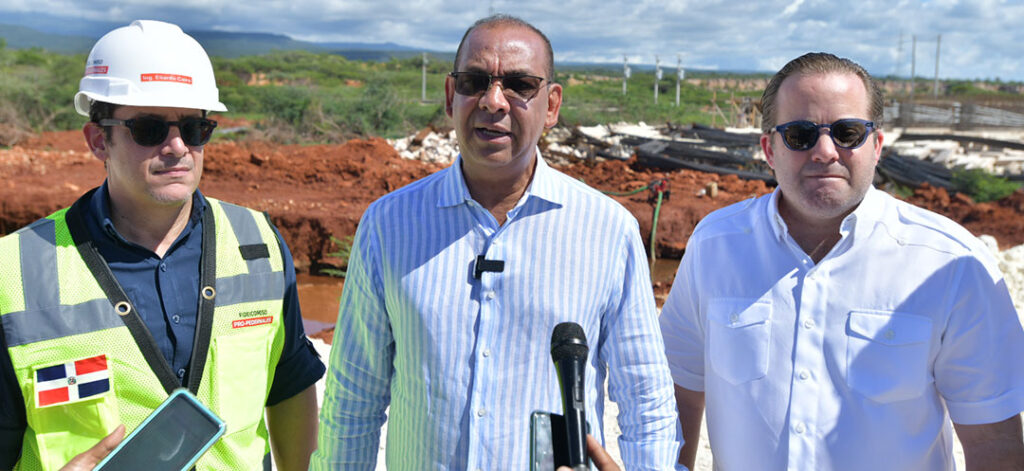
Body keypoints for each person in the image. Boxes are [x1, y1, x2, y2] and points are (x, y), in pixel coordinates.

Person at [311, 14, 680, 470]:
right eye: (474, 81)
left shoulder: (607, 230)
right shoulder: (389, 225)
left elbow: (647, 401)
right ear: (451, 96)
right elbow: (353, 397)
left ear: (552, 105)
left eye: (519, 84)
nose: (493, 100)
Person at [660, 52, 1024, 470]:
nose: (825, 151)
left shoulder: (952, 264)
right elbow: (679, 393)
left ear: (877, 145)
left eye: (848, 132)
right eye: (800, 134)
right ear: (768, 149)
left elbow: (994, 441)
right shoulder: (715, 246)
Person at [0, 20, 324, 470]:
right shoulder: (15, 271)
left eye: (194, 128)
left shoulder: (258, 244)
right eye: (150, 129)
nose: (177, 147)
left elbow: (289, 384)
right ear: (99, 140)